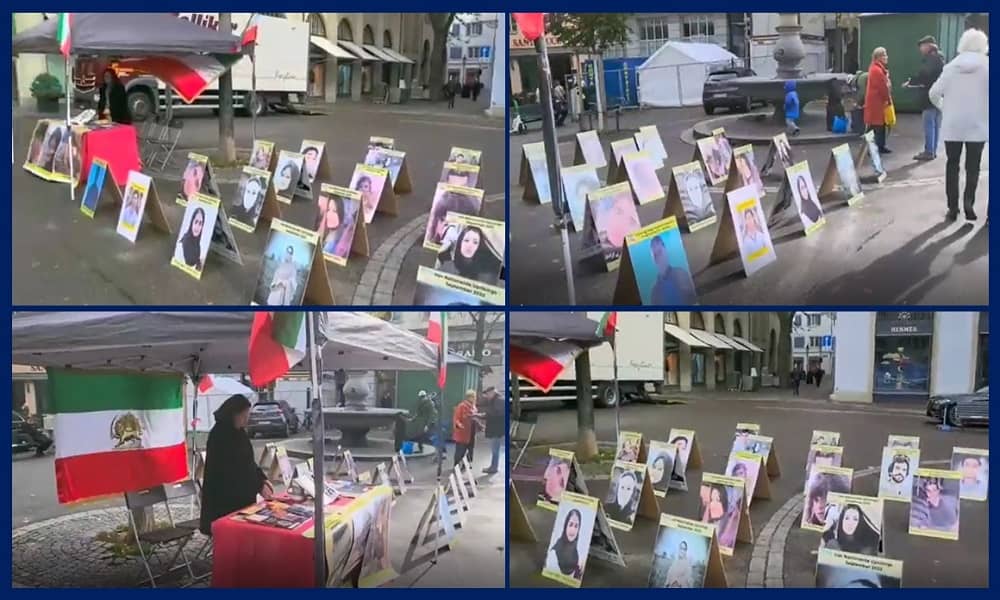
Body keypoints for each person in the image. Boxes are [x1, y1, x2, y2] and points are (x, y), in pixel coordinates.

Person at [929, 28, 989, 222]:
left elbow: (933, 93)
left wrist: (945, 108)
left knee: (952, 165)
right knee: (973, 167)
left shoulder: (951, 67)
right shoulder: (988, 67)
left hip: (953, 124)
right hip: (978, 125)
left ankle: (952, 208)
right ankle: (969, 202)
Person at [199, 395, 272, 535]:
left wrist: (262, 479)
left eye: (247, 416)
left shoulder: (239, 432)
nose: (246, 420)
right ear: (233, 414)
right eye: (244, 416)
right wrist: (259, 484)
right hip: (225, 500)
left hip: (241, 497)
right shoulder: (220, 434)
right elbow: (236, 468)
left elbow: (249, 462)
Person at [906, 35, 945, 161]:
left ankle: (929, 151)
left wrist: (911, 81)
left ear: (928, 46)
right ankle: (932, 150)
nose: (920, 49)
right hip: (940, 95)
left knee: (929, 123)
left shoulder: (931, 59)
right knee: (936, 123)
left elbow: (925, 74)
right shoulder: (940, 58)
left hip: (930, 96)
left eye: (922, 46)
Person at [647, 235, 696, 305]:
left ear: (665, 251)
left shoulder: (681, 274)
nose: (658, 258)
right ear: (652, 259)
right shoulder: (655, 292)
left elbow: (693, 301)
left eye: (659, 252)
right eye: (655, 255)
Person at [864, 47, 893, 154]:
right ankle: (871, 148)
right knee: (876, 126)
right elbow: (883, 88)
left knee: (879, 125)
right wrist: (888, 99)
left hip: (877, 103)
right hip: (877, 103)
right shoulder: (877, 70)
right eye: (884, 55)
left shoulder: (878, 69)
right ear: (878, 57)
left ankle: (879, 146)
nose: (886, 57)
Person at [545, 508, 583, 579]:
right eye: (570, 524)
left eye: (576, 526)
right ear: (565, 526)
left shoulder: (577, 552)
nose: (573, 530)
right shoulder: (553, 555)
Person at [451, 390, 477, 466]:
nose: (475, 398)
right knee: (460, 450)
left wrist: (480, 425)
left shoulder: (473, 406)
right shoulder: (462, 406)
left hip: (471, 432)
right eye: (473, 397)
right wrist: (459, 425)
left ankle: (465, 464)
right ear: (469, 397)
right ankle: (456, 465)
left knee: (470, 449)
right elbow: (456, 418)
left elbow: (475, 418)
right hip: (463, 432)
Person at [481, 387, 504, 475]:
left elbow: (494, 414)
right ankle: (493, 466)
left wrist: (482, 415)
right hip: (496, 429)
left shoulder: (498, 401)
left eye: (487, 394)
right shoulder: (496, 400)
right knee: (495, 449)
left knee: (495, 450)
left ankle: (493, 467)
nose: (486, 396)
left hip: (496, 429)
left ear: (491, 393)